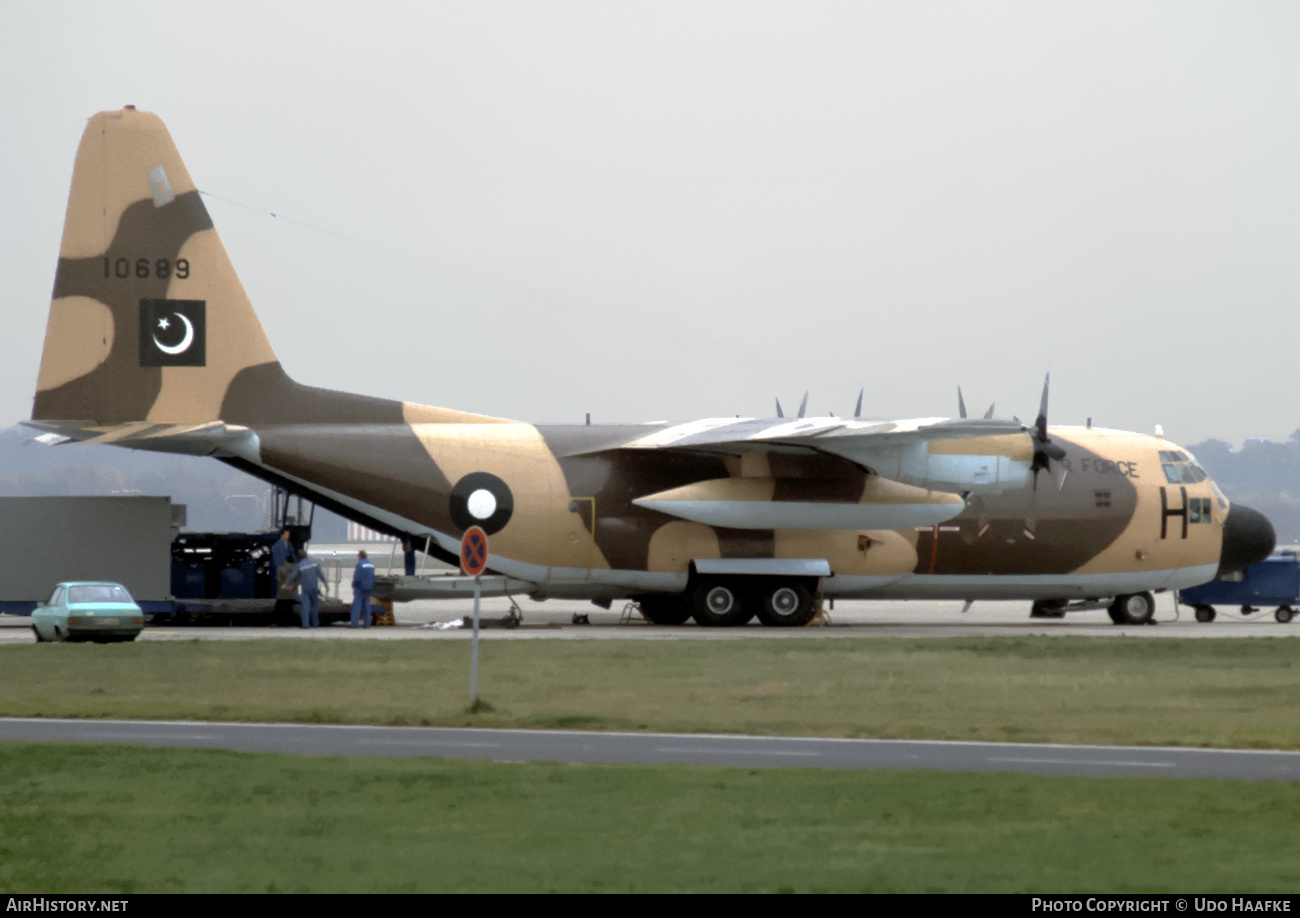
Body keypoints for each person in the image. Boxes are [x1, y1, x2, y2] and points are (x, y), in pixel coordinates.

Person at [285, 549, 327, 628]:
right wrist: (325, 584)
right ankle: (315, 624)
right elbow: (320, 574)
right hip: (314, 588)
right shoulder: (314, 563)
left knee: (305, 606)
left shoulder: (299, 565)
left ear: (299, 557)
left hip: (305, 589)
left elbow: (292, 576)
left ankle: (305, 624)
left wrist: (286, 583)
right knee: (315, 606)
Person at [350, 550, 376, 628]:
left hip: (360, 588)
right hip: (369, 587)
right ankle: (367, 624)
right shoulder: (371, 565)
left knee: (357, 606)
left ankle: (354, 624)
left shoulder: (360, 564)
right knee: (367, 606)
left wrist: (354, 584)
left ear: (360, 556)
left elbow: (358, 577)